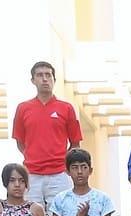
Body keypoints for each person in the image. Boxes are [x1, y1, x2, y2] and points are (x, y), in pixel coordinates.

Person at [12, 61, 83, 207]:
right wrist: (34, 156)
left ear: (54, 80)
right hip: (31, 175)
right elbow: (20, 141)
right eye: (40, 75)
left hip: (60, 175)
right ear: (33, 80)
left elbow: (75, 143)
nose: (45, 79)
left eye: (48, 75)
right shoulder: (23, 108)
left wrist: (63, 162)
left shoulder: (66, 108)